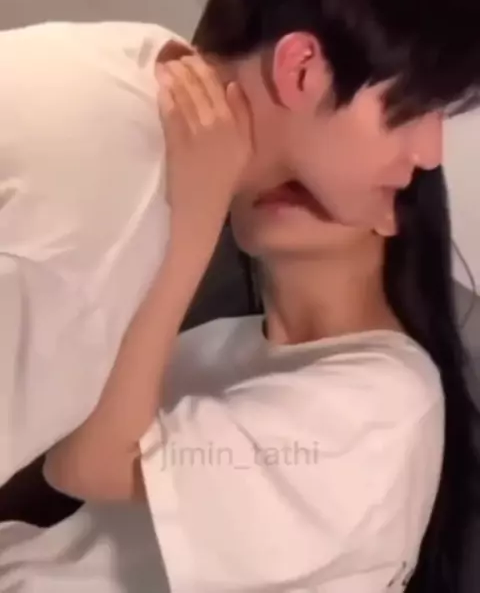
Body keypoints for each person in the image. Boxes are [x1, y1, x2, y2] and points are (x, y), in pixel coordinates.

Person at [3, 0, 480, 493]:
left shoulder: (129, 63)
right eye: (412, 109)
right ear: (302, 69)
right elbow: (86, 467)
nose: (430, 153)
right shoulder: (111, 214)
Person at [0, 74, 476, 592]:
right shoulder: (212, 342)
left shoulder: (391, 400)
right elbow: (60, 448)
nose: (288, 170)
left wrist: (193, 217)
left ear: (394, 205)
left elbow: (89, 466)